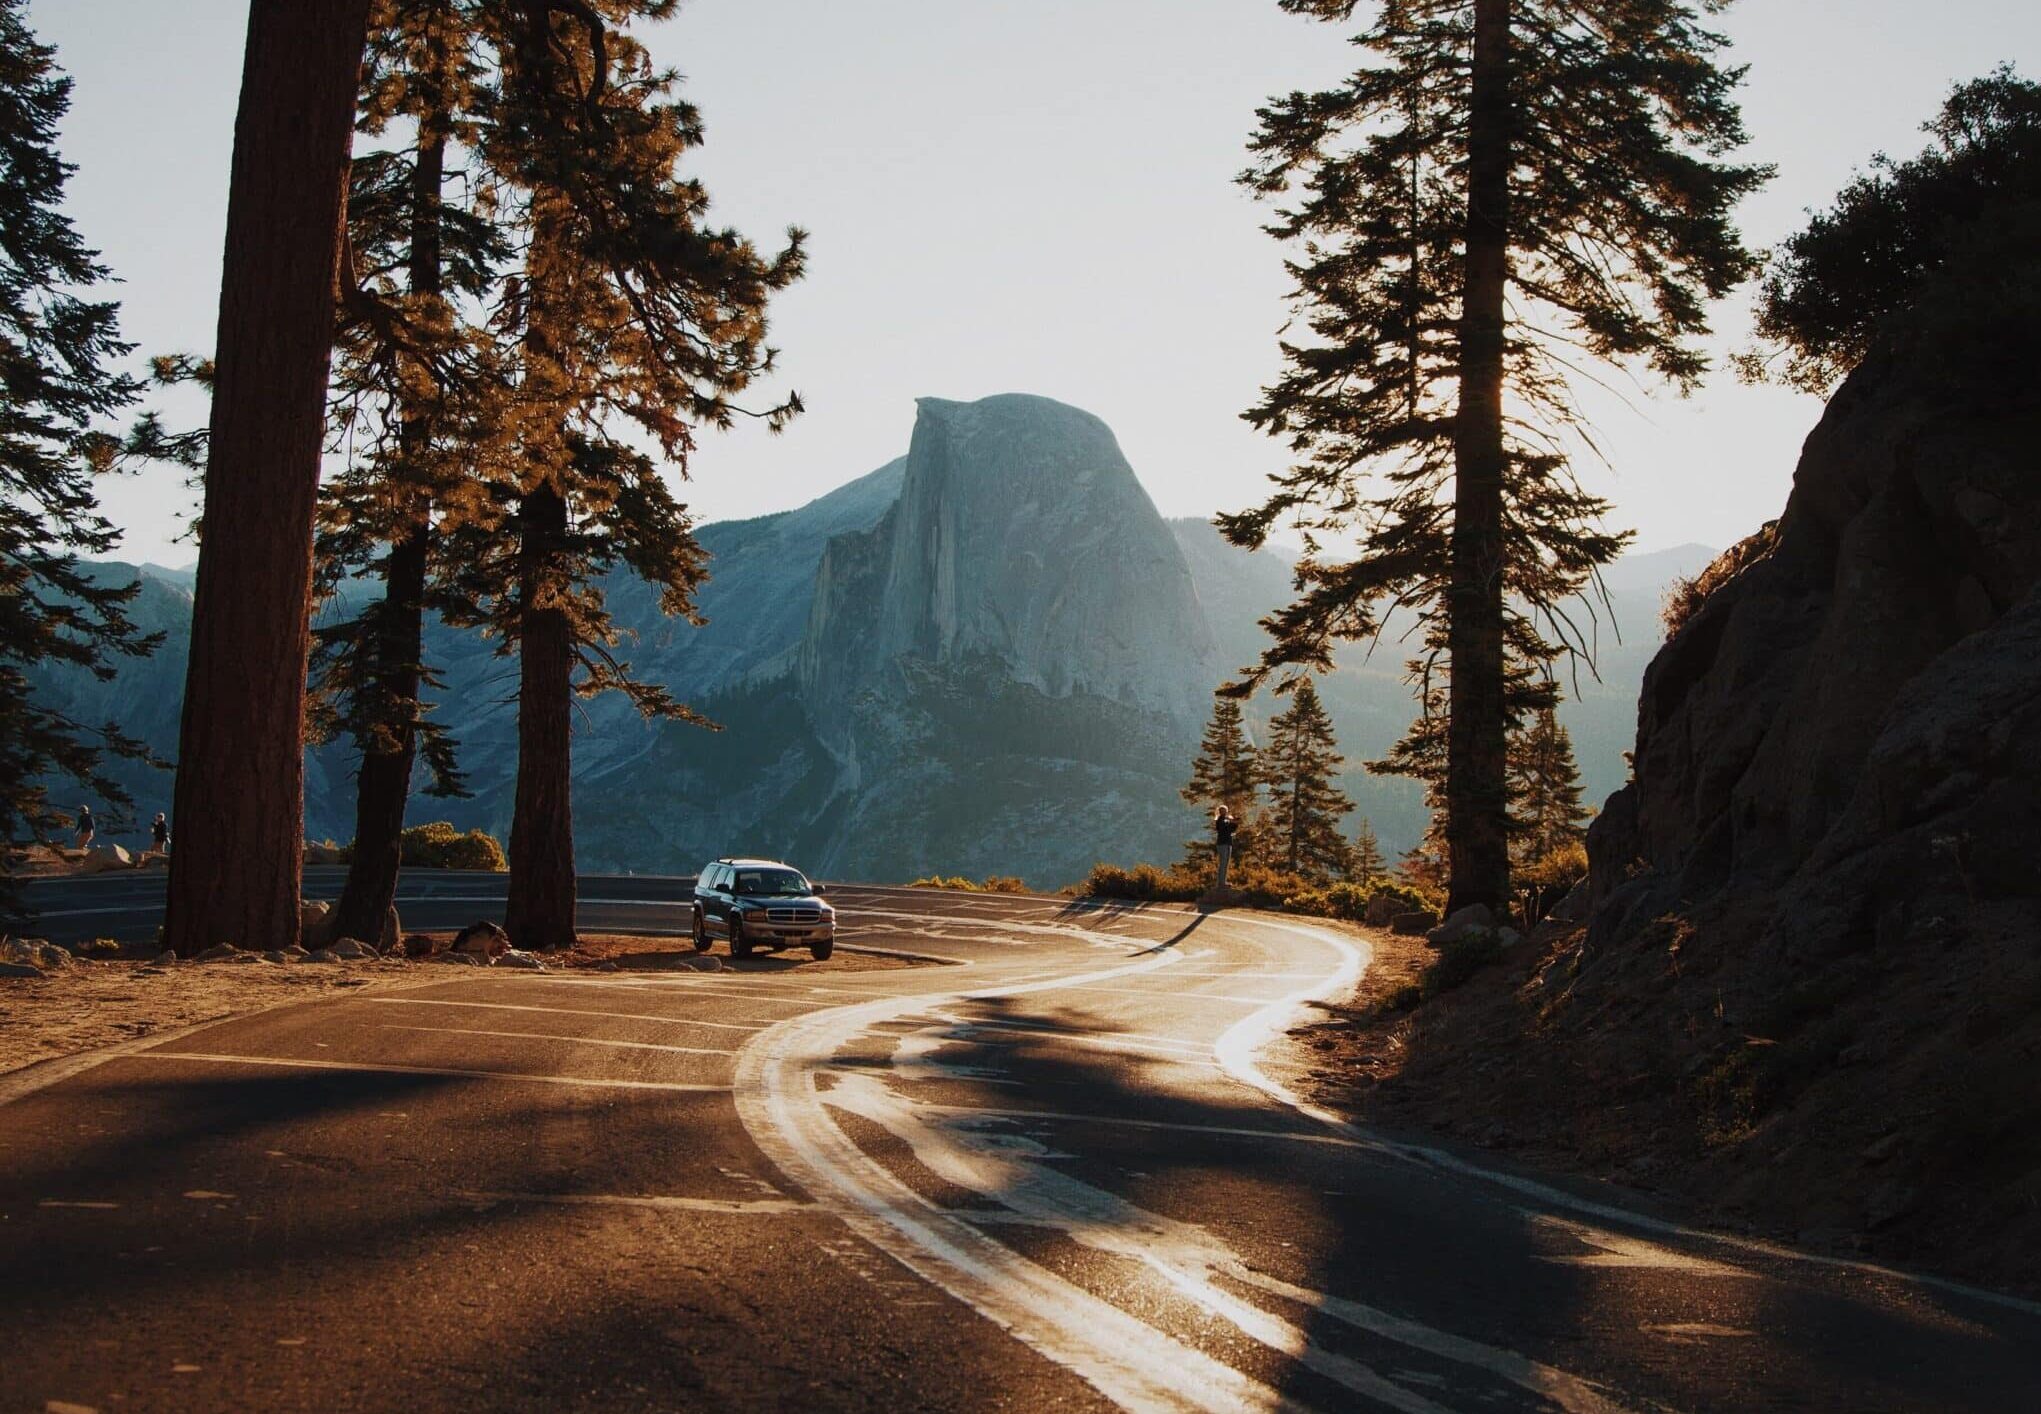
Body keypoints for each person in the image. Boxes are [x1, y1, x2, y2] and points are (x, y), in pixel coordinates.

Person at [1212, 805, 1238, 891]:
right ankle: (1221, 883)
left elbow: (1232, 829)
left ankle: (1223, 881)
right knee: (1223, 863)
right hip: (1222, 843)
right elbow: (1223, 828)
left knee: (1226, 863)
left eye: (1225, 811)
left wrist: (1234, 823)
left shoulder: (1226, 820)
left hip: (1228, 842)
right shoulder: (1220, 820)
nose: (1224, 812)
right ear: (1220, 811)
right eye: (1222, 811)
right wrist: (1231, 821)